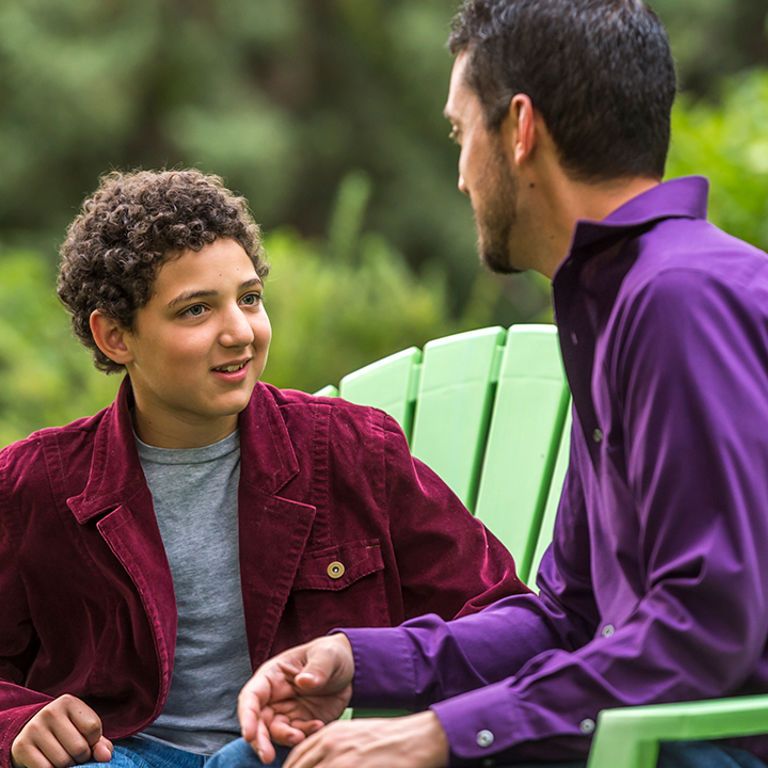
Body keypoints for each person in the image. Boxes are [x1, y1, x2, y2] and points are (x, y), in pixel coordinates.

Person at [236, 1, 768, 766]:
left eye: (460, 133)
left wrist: (442, 736)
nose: (458, 175)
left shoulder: (680, 301)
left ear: (520, 130)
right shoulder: (621, 304)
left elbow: (705, 628)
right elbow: (569, 616)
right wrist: (359, 660)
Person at [0, 168, 528, 768]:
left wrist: (369, 669)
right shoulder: (33, 485)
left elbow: (505, 621)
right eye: (196, 310)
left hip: (288, 754)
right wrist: (17, 722)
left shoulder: (355, 451)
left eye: (250, 298)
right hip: (118, 756)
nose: (240, 332)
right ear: (116, 336)